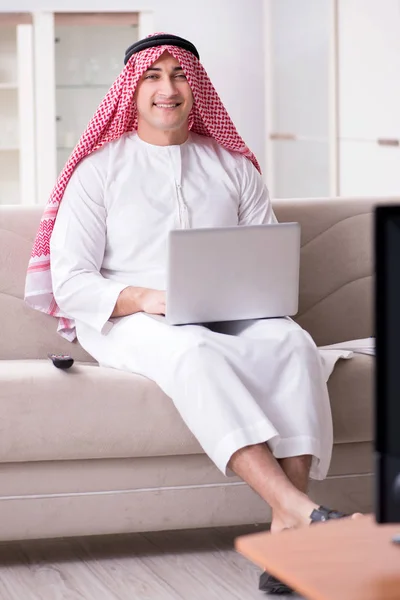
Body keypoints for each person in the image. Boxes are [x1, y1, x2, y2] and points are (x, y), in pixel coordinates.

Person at [25, 33, 357, 595]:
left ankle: (287, 531)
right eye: (152, 76)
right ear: (130, 91)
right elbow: (72, 281)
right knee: (194, 350)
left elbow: (264, 256)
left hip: (232, 309)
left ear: (195, 87)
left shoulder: (232, 165)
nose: (167, 88)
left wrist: (251, 298)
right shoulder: (98, 171)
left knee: (294, 344)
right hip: (130, 319)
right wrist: (147, 298)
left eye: (179, 75)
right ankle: (299, 511)